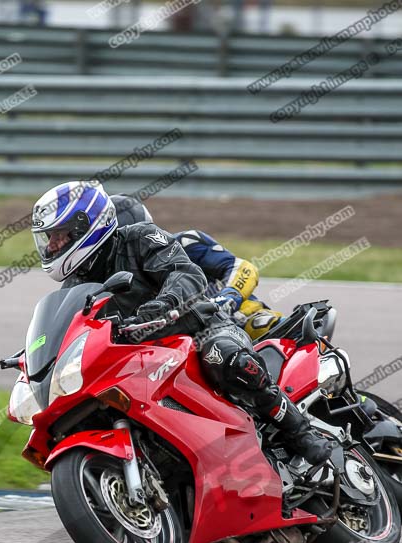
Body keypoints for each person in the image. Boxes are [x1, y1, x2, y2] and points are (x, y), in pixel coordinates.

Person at [31, 181, 332, 466]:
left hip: (198, 327)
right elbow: (72, 328)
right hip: (145, 351)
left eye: (60, 235)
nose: (54, 245)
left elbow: (186, 273)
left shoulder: (141, 237)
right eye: (51, 238)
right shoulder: (73, 285)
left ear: (87, 226)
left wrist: (166, 302)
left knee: (227, 358)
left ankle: (300, 431)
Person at [110, 194, 283, 341]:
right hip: (189, 338)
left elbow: (244, 268)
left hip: (237, 317)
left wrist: (227, 298)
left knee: (259, 325)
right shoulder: (114, 281)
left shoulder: (186, 242)